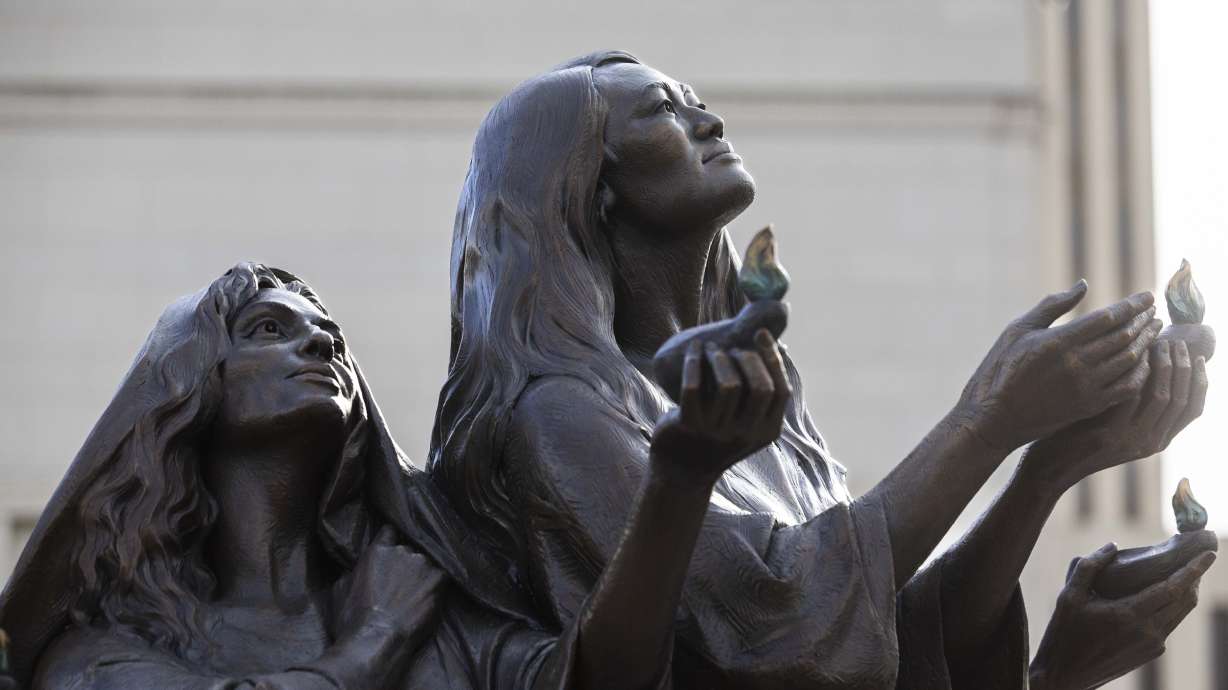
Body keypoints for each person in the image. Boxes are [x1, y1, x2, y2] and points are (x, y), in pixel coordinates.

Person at [428, 50, 1216, 689]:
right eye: (664, 110)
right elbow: (775, 629)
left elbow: (894, 635)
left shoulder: (761, 396)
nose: (709, 118)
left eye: (694, 97)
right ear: (594, 192)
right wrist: (986, 421)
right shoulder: (559, 411)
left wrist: (1047, 465)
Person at [0, 262, 787, 690]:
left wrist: (680, 476)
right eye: (270, 330)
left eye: (330, 338)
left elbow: (597, 681)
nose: (320, 347)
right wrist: (369, 650)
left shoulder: (427, 608)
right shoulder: (100, 657)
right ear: (186, 386)